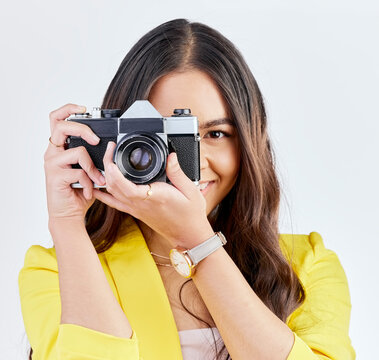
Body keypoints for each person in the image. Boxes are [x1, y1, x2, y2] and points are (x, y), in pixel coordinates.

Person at [18, 19, 355, 360]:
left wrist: (196, 241)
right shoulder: (59, 269)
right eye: (162, 138)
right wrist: (66, 220)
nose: (188, 163)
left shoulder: (304, 266)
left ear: (249, 142)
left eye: (216, 134)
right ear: (115, 138)